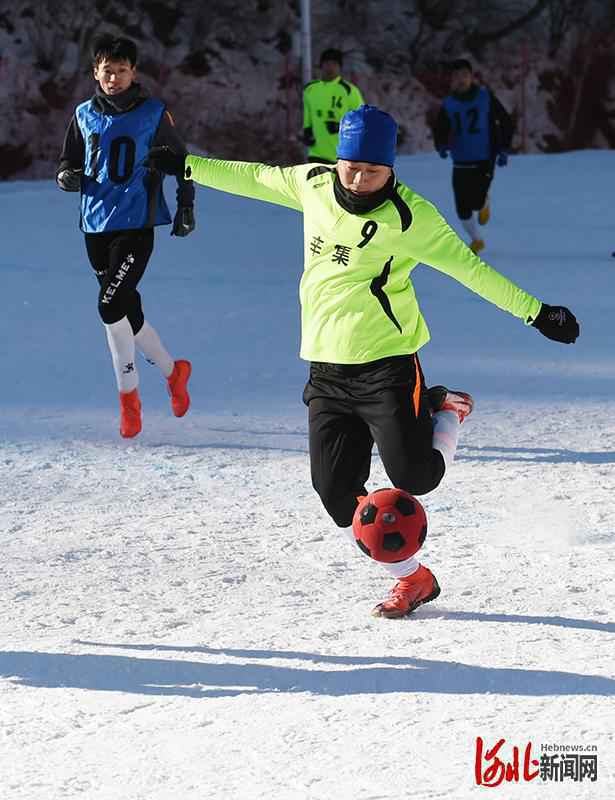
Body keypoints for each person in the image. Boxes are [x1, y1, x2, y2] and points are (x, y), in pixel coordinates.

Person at [147, 104, 580, 619]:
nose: (357, 178)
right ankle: (414, 579)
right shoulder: (312, 182)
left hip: (387, 365)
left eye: (371, 170)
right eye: (350, 166)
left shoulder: (411, 217)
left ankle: (446, 410)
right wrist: (188, 166)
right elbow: (255, 177)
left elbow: (471, 271)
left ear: (390, 167)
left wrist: (537, 313)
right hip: (326, 370)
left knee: (416, 477)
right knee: (337, 498)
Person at [56, 34, 195, 438]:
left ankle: (129, 401)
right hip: (95, 226)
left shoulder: (153, 113)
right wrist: (66, 176)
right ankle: (174, 373)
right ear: (95, 73)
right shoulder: (83, 114)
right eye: (106, 71)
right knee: (125, 312)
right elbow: (68, 160)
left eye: (121, 70)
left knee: (108, 304)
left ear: (133, 72)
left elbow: (182, 162)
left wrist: (186, 205)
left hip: (137, 225)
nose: (113, 77)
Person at [434, 58, 513, 254]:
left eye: (464, 75)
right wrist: (441, 145)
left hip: (484, 159)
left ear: (471, 77)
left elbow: (505, 121)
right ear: (451, 80)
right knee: (462, 207)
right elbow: (440, 128)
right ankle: (477, 240)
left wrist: (504, 148)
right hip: (460, 160)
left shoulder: (485, 97)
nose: (460, 80)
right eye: (456, 77)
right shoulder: (449, 104)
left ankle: (484, 202)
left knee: (476, 201)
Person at [302, 48, 364, 164]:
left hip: (342, 155)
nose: (330, 67)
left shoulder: (349, 90)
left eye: (334, 64)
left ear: (339, 67)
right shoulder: (310, 89)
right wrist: (307, 130)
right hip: (316, 153)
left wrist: (339, 127)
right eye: (327, 63)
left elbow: (362, 119)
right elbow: (308, 114)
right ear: (321, 65)